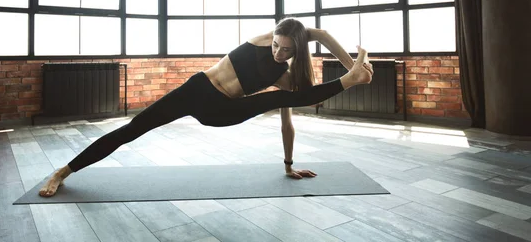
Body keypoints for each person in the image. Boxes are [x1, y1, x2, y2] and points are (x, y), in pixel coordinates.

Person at [39, 18, 373, 197]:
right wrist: (348, 63)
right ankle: (63, 171)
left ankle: (352, 80)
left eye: (287, 51)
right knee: (132, 130)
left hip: (224, 112)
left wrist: (288, 166)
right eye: (276, 45)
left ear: (297, 50)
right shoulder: (262, 39)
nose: (278, 53)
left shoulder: (285, 78)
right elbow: (323, 33)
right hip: (196, 91)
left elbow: (288, 122)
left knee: (290, 96)